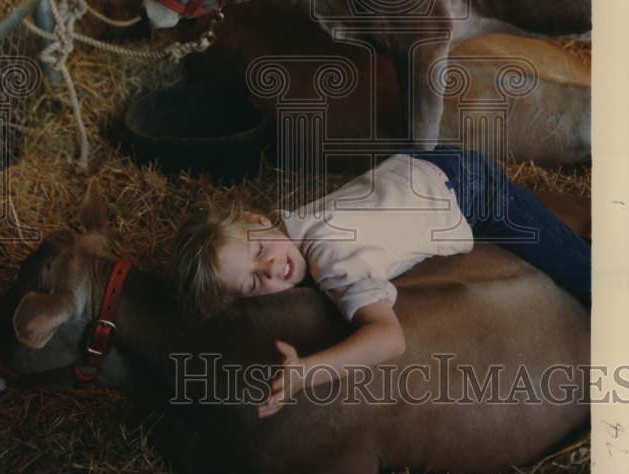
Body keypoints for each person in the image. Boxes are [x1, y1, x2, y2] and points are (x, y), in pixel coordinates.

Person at [171, 146, 591, 418]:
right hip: (414, 165)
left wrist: (308, 373)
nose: (269, 270)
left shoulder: (334, 263)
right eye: (252, 285)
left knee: (576, 267)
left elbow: (390, 339)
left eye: (260, 255)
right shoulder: (292, 223)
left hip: (470, 192)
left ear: (258, 220)